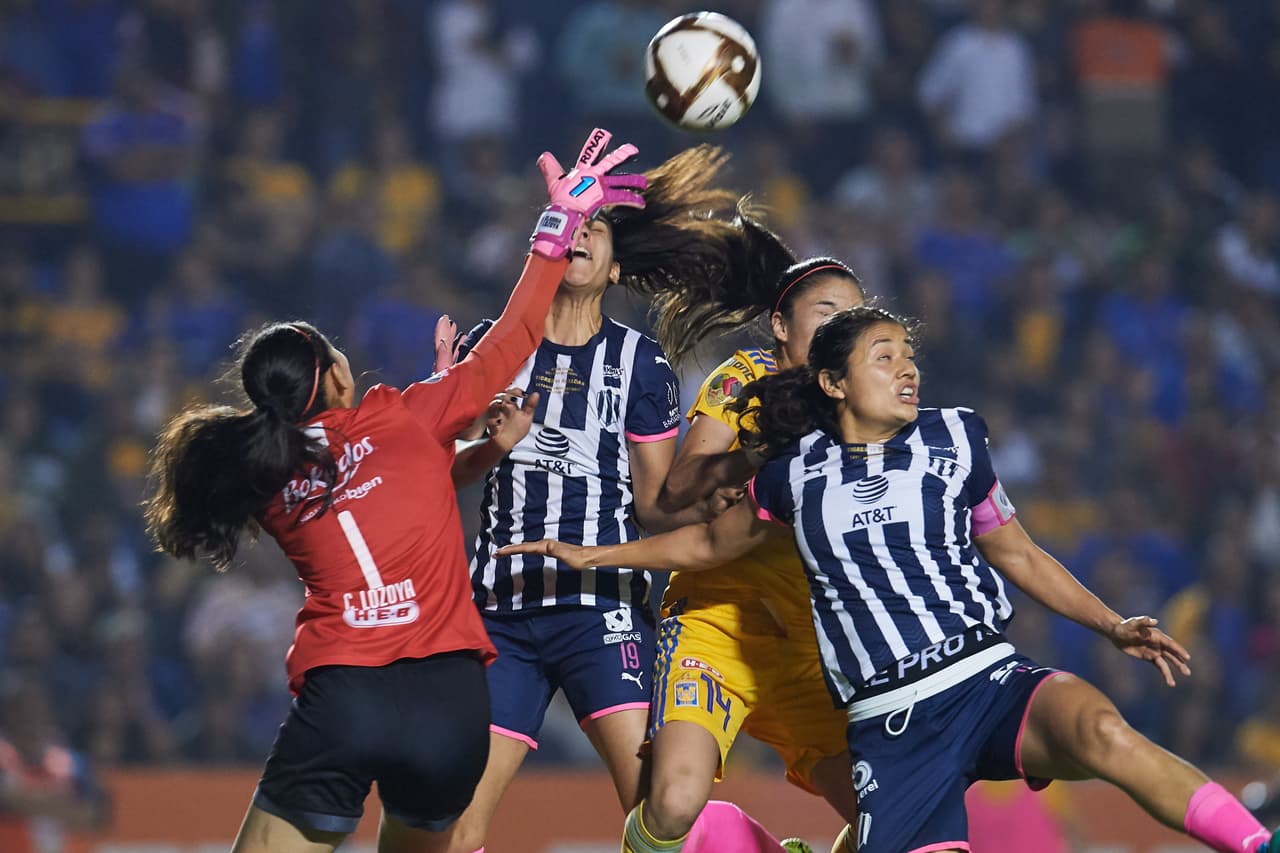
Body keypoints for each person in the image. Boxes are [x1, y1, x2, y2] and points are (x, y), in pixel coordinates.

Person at [497, 305, 1278, 853]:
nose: (907, 368)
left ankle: (1257, 844)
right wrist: (593, 557)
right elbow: (705, 542)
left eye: (909, 355)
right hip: (893, 729)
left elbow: (1018, 554)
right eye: (884, 356)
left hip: (987, 679)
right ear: (834, 383)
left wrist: (1112, 623)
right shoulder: (793, 475)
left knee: (1101, 729)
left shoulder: (956, 439)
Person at [142, 129, 647, 853]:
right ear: (336, 377)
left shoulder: (267, 474)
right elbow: (513, 337)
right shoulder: (406, 417)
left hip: (343, 697)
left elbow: (372, 496)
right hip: (448, 704)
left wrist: (464, 442)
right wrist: (557, 224)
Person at [443, 145, 804, 853]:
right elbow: (445, 471)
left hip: (600, 607)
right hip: (500, 612)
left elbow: (653, 504)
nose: (578, 234)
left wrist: (719, 499)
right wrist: (490, 446)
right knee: (457, 825)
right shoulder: (492, 347)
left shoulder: (640, 363)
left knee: (659, 808)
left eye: (595, 227)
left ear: (613, 268)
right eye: (567, 223)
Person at [629, 257, 867, 853]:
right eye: (827, 311)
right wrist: (757, 453)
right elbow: (679, 485)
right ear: (781, 326)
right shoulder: (743, 379)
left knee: (891, 822)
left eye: (854, 316)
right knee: (672, 804)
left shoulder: (863, 408)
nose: (842, 327)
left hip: (813, 648)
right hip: (717, 624)